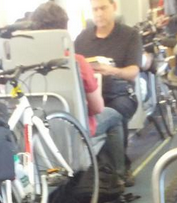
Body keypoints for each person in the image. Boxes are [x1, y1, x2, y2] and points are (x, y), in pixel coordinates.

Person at [30, 2, 129, 191]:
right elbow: (97, 108)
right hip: (75, 130)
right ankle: (119, 175)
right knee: (113, 116)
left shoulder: (22, 64)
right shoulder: (77, 62)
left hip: (38, 133)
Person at [74, 0, 143, 142]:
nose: (99, 13)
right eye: (95, 10)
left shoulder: (130, 35)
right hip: (90, 96)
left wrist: (112, 71)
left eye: (103, 8)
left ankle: (117, 161)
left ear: (114, 7)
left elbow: (133, 71)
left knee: (115, 111)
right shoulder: (82, 38)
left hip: (119, 94)